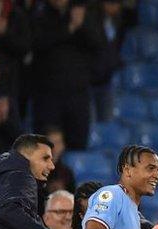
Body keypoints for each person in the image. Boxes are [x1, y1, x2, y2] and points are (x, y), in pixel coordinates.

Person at [30, 0, 105, 150]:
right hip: (47, 93)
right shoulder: (39, 13)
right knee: (44, 147)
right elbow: (36, 42)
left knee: (77, 144)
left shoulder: (86, 13)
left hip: (77, 92)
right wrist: (69, 28)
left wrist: (81, 25)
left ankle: (69, 174)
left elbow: (99, 43)